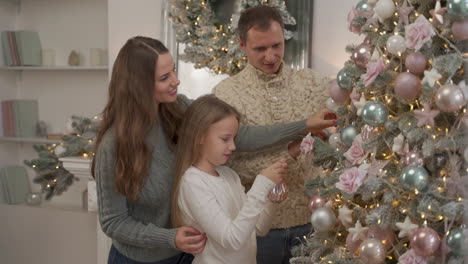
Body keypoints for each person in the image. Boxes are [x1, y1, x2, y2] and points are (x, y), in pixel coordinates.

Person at [92, 36, 335, 264]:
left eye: (174, 70)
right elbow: (113, 222)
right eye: (164, 77)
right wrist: (168, 237)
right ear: (139, 86)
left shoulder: (177, 109)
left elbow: (239, 136)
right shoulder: (113, 146)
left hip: (187, 254)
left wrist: (303, 126)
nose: (176, 81)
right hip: (138, 259)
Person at [212, 5, 331, 264]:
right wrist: (291, 152)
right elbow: (232, 167)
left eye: (277, 45)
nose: (271, 56)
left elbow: (336, 147)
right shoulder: (226, 94)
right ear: (242, 45)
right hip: (258, 230)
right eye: (260, 49)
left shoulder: (314, 84)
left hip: (315, 222)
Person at [171, 95, 288, 264]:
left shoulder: (229, 175)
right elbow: (232, 240)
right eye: (225, 139)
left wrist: (270, 199)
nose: (233, 146)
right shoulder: (193, 182)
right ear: (200, 137)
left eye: (234, 138)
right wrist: (261, 183)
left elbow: (257, 229)